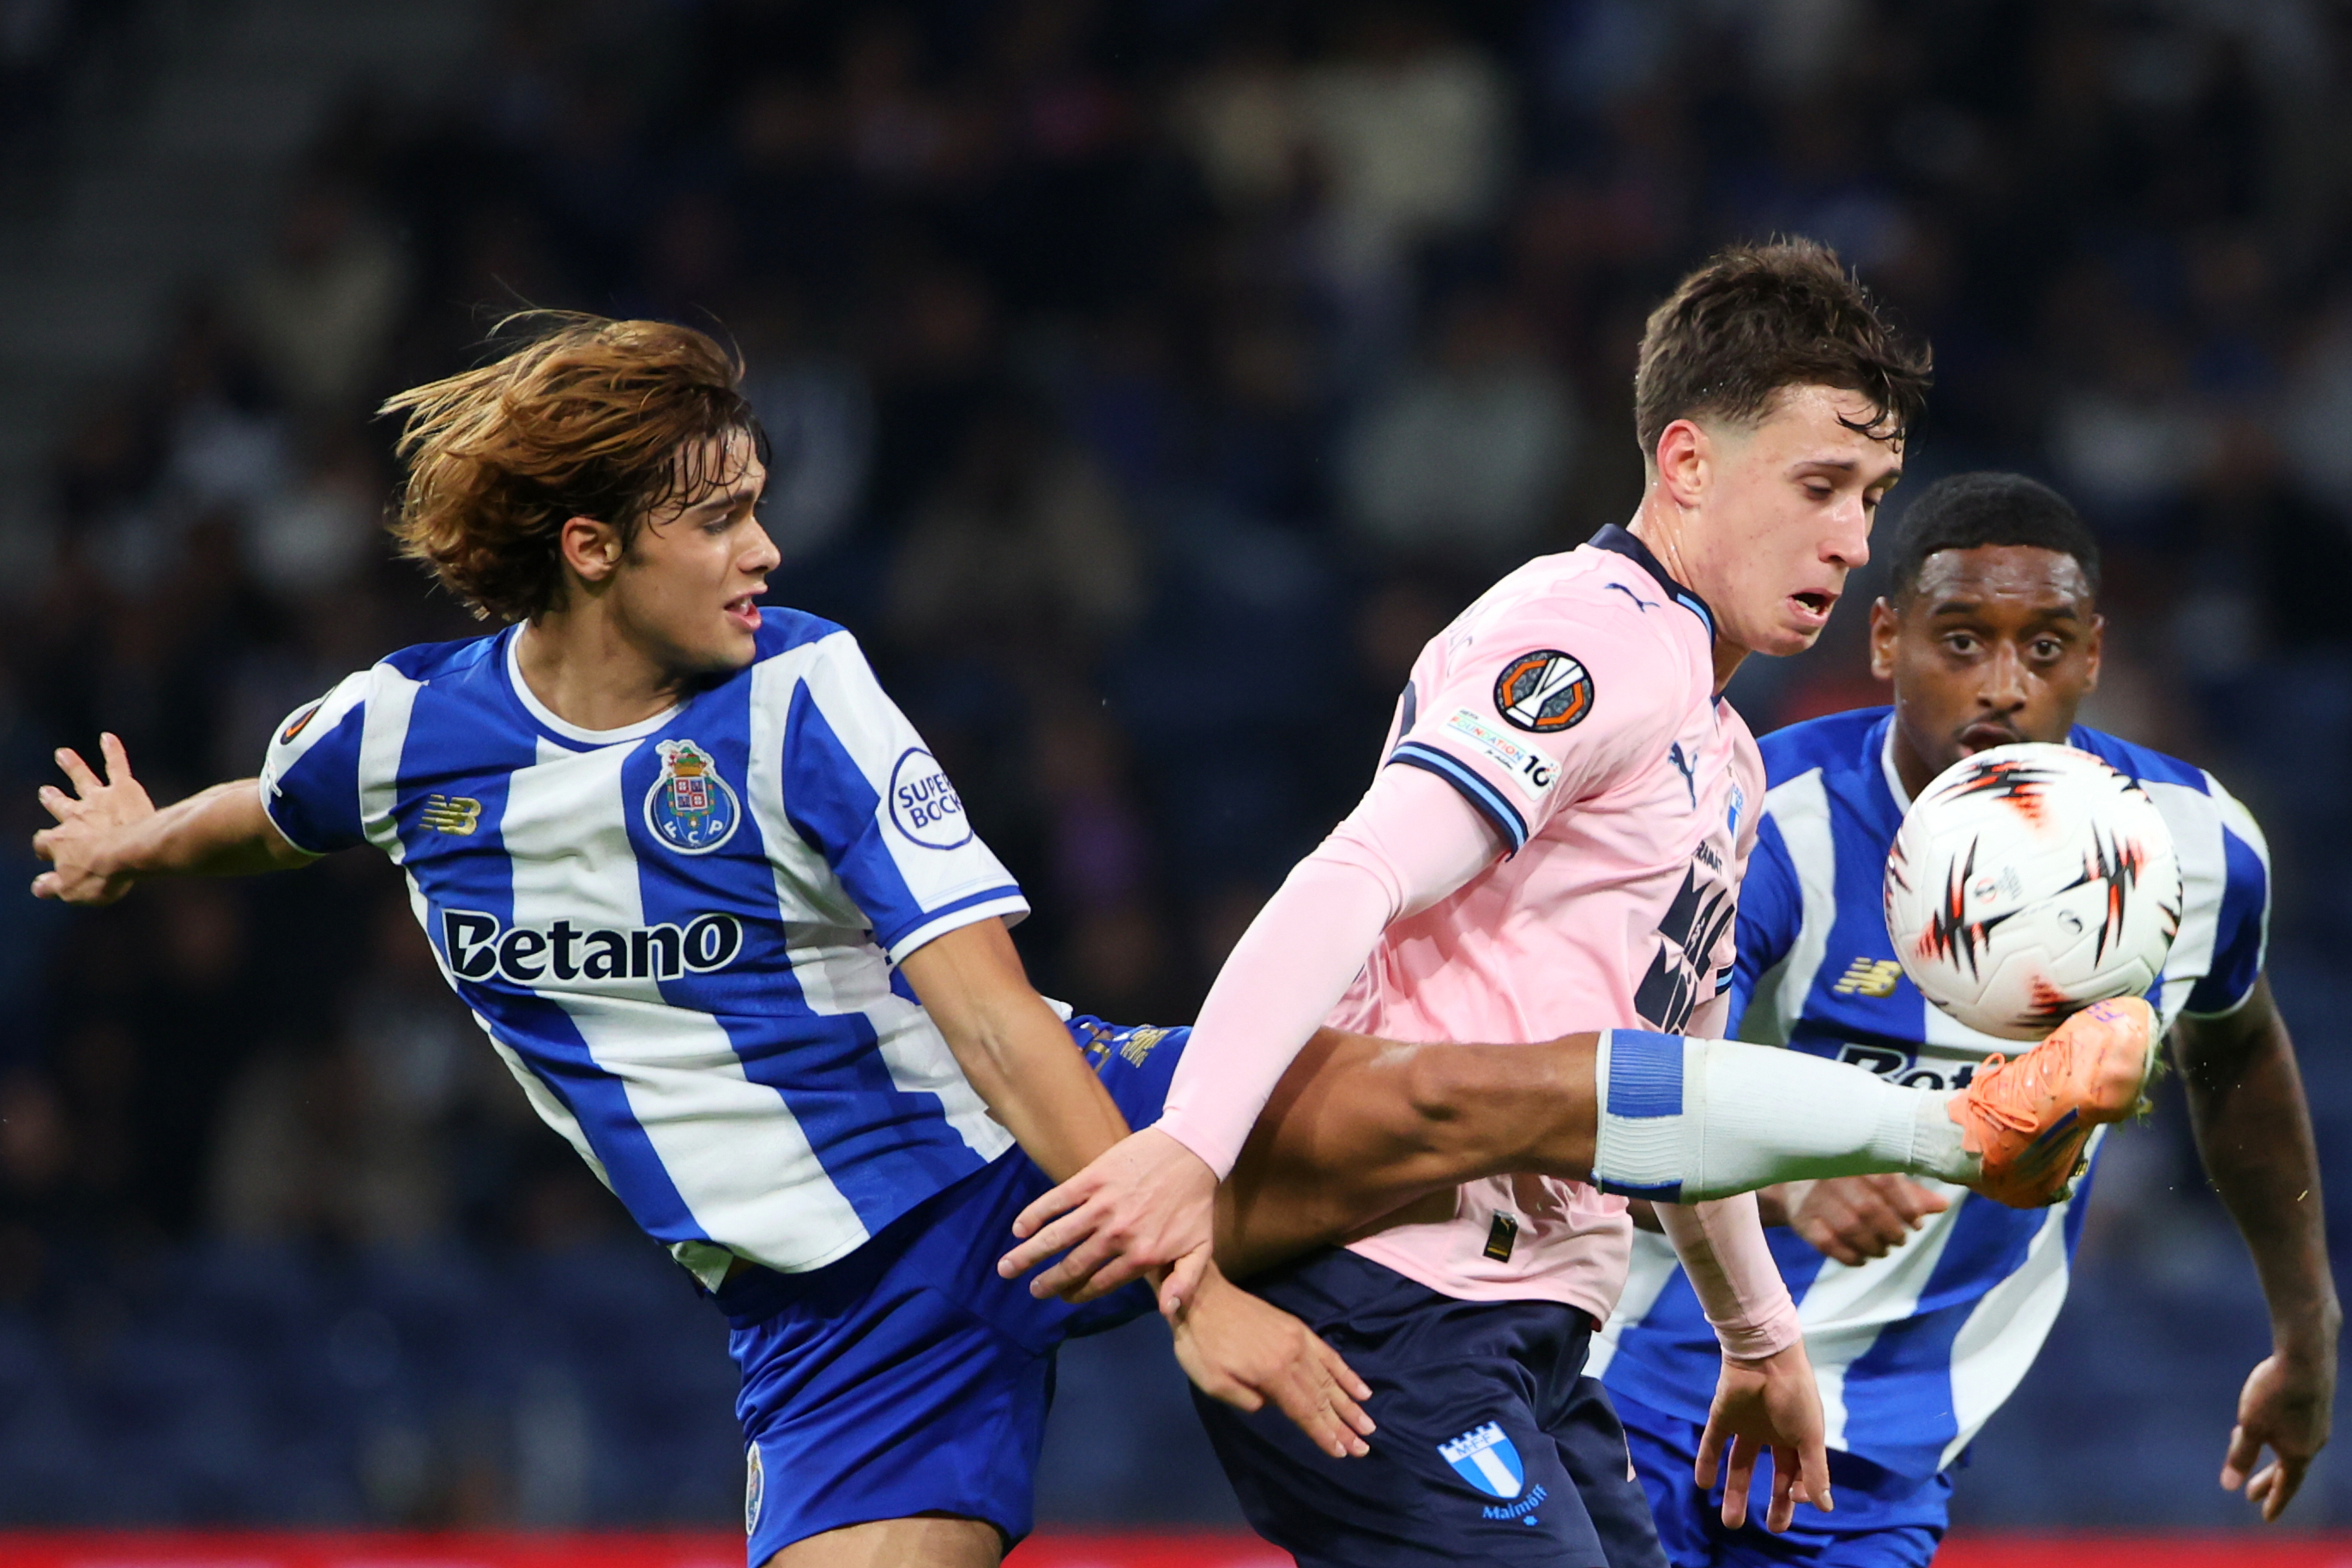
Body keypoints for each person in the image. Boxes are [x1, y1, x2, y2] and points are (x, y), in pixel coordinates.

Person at [31, 310, 2148, 1568]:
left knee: (1422, 1085)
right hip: (836, 1320)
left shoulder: (806, 699)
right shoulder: (406, 738)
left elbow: (979, 1012)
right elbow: (282, 812)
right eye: (723, 520)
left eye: (768, 502)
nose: (771, 547)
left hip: (1043, 1140)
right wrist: (145, 846)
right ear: (590, 551)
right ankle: (1864, 1124)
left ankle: (1946, 1120)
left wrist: (1197, 1270)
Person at [996, 244, 2161, 1568]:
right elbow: (1354, 873)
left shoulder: (1721, 753)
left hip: (1536, 1332)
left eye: (1873, 495)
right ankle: (1958, 1128)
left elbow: (1682, 1087)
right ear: (1685, 466)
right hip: (1393, 1290)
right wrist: (1190, 1146)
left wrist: (1757, 1335)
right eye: (1819, 485)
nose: (1851, 537)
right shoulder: (1590, 633)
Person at [1593, 472, 2338, 1566]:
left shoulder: (2195, 848)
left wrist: (2306, 1326)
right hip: (1647, 1395)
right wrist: (1787, 1180)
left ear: (2093, 653)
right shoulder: (1766, 816)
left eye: (2043, 647)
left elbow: (2238, 1057)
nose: (2003, 686)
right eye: (1960, 641)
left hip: (1885, 1460)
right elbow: (1614, 1092)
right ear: (1887, 640)